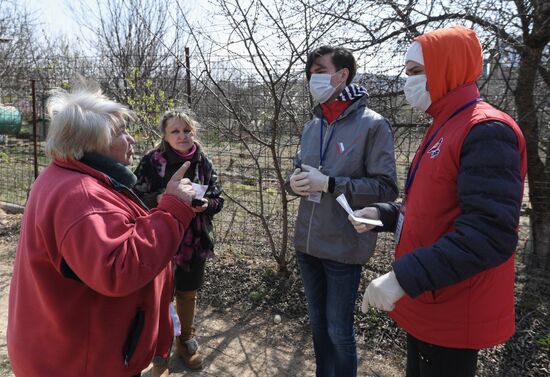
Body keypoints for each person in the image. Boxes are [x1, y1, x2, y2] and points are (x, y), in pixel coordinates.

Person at [349, 25, 527, 377]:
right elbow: (434, 206)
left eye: (416, 72)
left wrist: (402, 277)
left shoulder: (487, 131)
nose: (407, 81)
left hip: (454, 305)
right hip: (431, 298)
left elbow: (489, 234)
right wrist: (384, 214)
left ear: (446, 69)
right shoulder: (445, 124)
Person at [7, 83, 197, 377]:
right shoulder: (84, 197)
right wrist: (173, 210)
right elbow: (120, 269)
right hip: (81, 364)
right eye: (120, 132)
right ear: (91, 141)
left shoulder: (65, 176)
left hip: (63, 352)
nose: (131, 139)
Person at [285, 46, 399, 377]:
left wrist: (332, 183)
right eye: (310, 72)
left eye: (320, 70)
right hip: (307, 244)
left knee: (339, 332)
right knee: (319, 327)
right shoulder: (312, 125)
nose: (312, 77)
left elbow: (386, 188)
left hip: (343, 246)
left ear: (342, 74)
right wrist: (293, 183)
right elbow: (298, 171)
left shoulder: (373, 125)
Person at [134, 109, 223, 374]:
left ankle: (185, 341)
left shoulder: (203, 161)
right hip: (160, 240)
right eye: (175, 131)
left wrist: (206, 205)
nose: (183, 135)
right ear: (164, 135)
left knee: (188, 292)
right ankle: (160, 353)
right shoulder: (152, 161)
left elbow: (218, 199)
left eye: (187, 130)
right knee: (160, 296)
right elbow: (135, 198)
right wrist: (161, 200)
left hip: (193, 242)